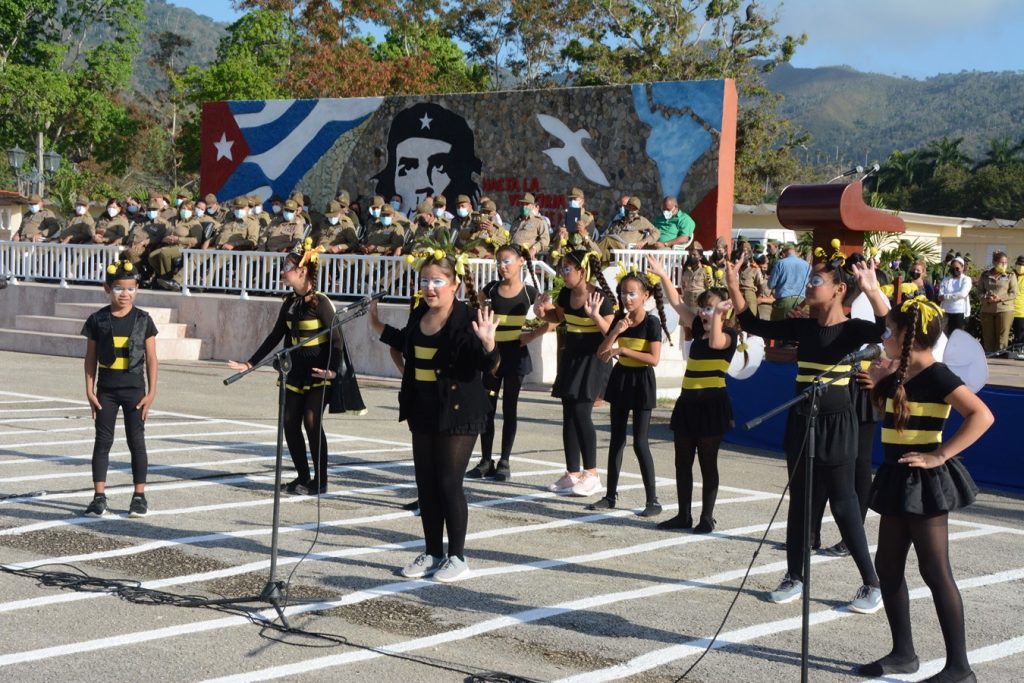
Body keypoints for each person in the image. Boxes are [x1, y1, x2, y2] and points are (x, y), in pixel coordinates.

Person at [725, 255, 887, 612]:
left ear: (839, 290)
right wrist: (734, 285)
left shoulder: (854, 329)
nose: (809, 286)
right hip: (802, 416)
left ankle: (871, 584)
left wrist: (873, 290)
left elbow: (886, 328)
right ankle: (794, 577)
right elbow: (752, 322)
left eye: (816, 281)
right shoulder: (803, 328)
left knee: (844, 502)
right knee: (800, 499)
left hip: (839, 420)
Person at [858, 296, 993, 681]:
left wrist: (941, 455)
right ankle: (903, 653)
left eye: (889, 331)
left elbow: (981, 415)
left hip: (923, 480)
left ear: (907, 336)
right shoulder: (902, 375)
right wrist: (880, 381)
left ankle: (959, 668)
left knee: (935, 571)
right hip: (896, 475)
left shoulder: (937, 374)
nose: (884, 336)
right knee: (887, 566)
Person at [368, 243, 498, 582]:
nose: (429, 287)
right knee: (425, 484)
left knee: (448, 482)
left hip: (459, 412)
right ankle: (432, 552)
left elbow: (488, 365)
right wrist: (376, 323)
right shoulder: (418, 314)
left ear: (454, 285)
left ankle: (457, 557)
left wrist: (488, 344)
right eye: (425, 280)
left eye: (438, 281)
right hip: (423, 408)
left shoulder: (467, 319)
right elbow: (405, 343)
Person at [227, 239, 343, 495]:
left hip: (319, 370)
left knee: (312, 421)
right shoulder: (290, 302)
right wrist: (250, 362)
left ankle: (320, 481)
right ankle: (303, 476)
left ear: (302, 271)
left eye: (287, 266)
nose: (283, 271)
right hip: (295, 369)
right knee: (290, 422)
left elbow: (337, 340)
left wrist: (332, 371)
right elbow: (275, 335)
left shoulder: (322, 303)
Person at [651, 253, 738, 532]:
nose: (703, 313)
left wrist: (720, 316)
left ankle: (706, 517)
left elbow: (715, 342)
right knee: (682, 461)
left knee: (707, 463)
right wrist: (663, 274)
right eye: (702, 308)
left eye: (709, 309)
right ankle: (683, 515)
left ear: (723, 311)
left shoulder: (728, 335)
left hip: (712, 403)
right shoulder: (699, 326)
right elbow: (677, 303)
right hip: (687, 402)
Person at [534, 248, 616, 497]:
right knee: (569, 414)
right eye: (562, 268)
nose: (563, 272)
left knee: (581, 414)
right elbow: (556, 317)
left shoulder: (601, 297)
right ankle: (572, 474)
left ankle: (591, 474)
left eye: (568, 268)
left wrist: (595, 316)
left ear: (583, 271)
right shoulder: (566, 294)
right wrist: (542, 312)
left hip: (594, 360)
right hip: (571, 358)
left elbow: (611, 334)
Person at [80, 259, 159, 517]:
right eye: (118, 289)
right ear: (107, 288)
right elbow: (90, 358)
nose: (125, 294)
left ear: (137, 289)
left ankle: (139, 496)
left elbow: (151, 358)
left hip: (135, 390)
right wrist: (90, 391)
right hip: (106, 391)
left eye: (131, 288)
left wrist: (151, 393)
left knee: (136, 441)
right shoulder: (97, 319)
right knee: (103, 441)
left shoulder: (143, 320)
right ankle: (99, 496)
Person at [588, 267, 669, 516]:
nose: (627, 298)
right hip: (621, 380)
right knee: (617, 440)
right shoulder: (619, 319)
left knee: (640, 442)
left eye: (632, 293)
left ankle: (652, 500)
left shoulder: (652, 322)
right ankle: (610, 496)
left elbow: (653, 359)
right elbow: (602, 354)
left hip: (641, 381)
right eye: (623, 293)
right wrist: (615, 332)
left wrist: (623, 350)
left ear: (645, 295)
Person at [465, 243, 550, 481]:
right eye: (498, 262)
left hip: (515, 356)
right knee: (487, 409)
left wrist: (531, 335)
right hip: (492, 354)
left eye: (507, 261)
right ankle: (485, 461)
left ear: (521, 261)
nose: (502, 267)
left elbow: (553, 321)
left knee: (509, 408)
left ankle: (504, 461)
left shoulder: (529, 292)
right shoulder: (490, 289)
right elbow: (473, 309)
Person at [977, 251, 1018, 354]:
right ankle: (990, 356)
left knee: (1002, 336)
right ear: (994, 262)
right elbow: (979, 291)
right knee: (988, 335)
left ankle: (1000, 356)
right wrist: (986, 298)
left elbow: (1014, 293)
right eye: (1001, 262)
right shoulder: (985, 275)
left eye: (1005, 262)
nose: (1004, 265)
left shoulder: (1010, 275)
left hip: (1004, 309)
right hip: (987, 309)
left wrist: (1000, 298)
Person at [768, 242, 811, 322]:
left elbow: (771, 285)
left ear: (783, 253)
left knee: (779, 330)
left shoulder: (780, 263)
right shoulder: (807, 265)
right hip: (803, 302)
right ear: (795, 252)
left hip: (784, 302)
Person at [507, 193, 550, 259]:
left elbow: (545, 239)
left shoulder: (539, 221)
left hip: (526, 258)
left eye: (527, 204)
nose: (524, 206)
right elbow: (509, 238)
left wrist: (534, 249)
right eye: (522, 204)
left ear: (532, 206)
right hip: (512, 257)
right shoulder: (516, 221)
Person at [938, 256, 972, 334]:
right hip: (945, 311)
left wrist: (946, 296)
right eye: (952, 268)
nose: (954, 270)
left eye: (957, 268)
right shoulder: (946, 280)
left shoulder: (966, 279)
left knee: (956, 336)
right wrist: (953, 295)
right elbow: (940, 295)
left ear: (962, 268)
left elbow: (962, 294)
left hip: (959, 312)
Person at [1013, 255, 1024, 359]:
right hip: (1008, 309)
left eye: (1023, 264)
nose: (1021, 266)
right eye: (1019, 264)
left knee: (1020, 334)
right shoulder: (1011, 275)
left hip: (1021, 311)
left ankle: (1019, 351)